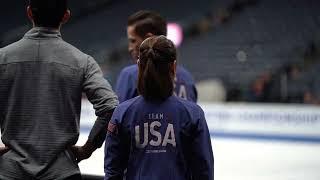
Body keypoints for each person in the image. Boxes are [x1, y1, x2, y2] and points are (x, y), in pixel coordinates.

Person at [0, 0, 118, 179]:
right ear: (66, 16)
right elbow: (110, 107)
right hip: (62, 173)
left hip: (11, 172)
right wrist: (89, 148)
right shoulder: (82, 61)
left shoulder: (3, 58)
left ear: (29, 12)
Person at [104, 36, 214, 180]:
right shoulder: (193, 114)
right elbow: (203, 171)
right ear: (174, 67)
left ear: (139, 66)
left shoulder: (123, 112)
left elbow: (112, 171)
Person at [115, 10, 197, 103]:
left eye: (133, 41)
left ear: (148, 38)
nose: (130, 48)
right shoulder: (187, 78)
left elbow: (119, 115)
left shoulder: (130, 75)